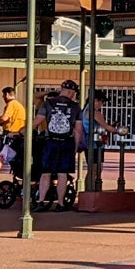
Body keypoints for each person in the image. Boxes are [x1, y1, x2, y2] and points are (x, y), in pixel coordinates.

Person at [34, 80, 85, 209]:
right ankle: (60, 204)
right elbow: (78, 130)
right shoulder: (75, 107)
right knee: (63, 173)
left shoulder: (48, 103)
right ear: (71, 92)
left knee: (46, 172)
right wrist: (75, 146)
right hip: (66, 142)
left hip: (50, 141)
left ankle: (41, 201)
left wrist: (23, 131)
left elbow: (37, 121)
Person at [0, 86, 27, 183]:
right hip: (18, 135)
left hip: (10, 135)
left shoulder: (11, 104)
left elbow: (5, 118)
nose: (3, 97)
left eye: (3, 95)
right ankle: (17, 177)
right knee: (14, 158)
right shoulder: (19, 106)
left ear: (7, 94)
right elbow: (10, 120)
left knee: (0, 156)